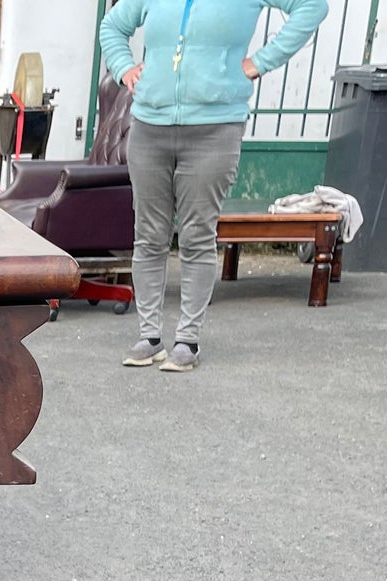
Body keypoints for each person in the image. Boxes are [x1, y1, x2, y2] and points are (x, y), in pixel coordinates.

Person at [100, 0, 327, 371]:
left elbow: (312, 6)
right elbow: (111, 27)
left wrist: (260, 62)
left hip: (215, 128)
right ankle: (150, 337)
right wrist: (125, 68)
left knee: (196, 235)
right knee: (149, 234)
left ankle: (187, 341)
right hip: (149, 128)